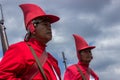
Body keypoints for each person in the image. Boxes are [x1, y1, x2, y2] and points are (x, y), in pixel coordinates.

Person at [0, 3, 61, 80]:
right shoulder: (20, 49)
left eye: (50, 25)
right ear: (32, 27)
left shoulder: (52, 59)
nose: (49, 28)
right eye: (45, 24)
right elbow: (2, 75)